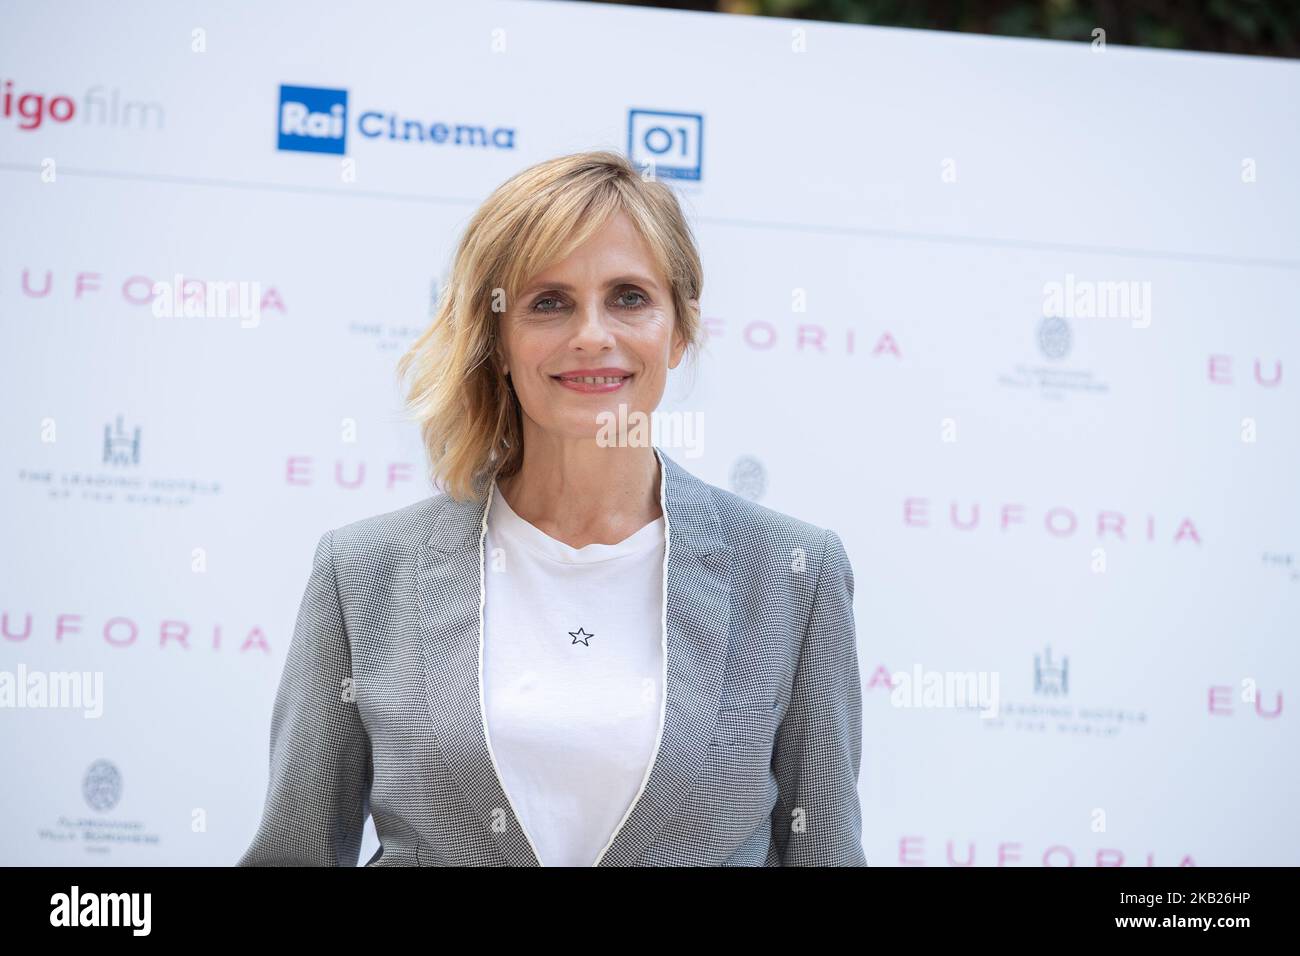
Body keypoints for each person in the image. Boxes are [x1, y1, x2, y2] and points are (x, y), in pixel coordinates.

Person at [237, 150, 866, 866]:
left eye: (629, 297)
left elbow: (825, 853)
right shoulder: (363, 575)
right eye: (549, 302)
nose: (592, 334)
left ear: (680, 329)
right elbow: (296, 854)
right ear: (497, 340)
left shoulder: (792, 574)